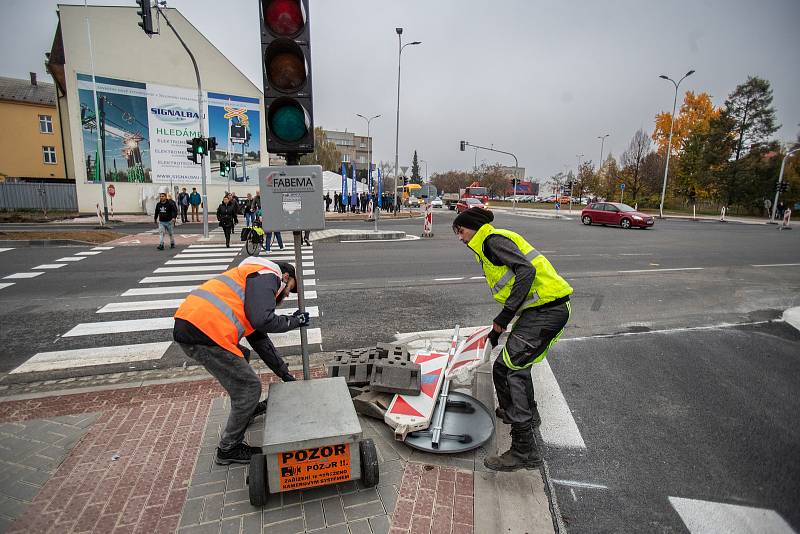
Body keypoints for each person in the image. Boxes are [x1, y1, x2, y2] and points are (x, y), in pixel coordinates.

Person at [452, 207, 572, 471]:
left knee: (510, 370)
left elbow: (526, 272)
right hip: (540, 311)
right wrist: (497, 330)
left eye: (460, 231)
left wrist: (504, 317)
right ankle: (521, 414)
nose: (460, 238)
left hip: (547, 310)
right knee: (508, 366)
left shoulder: (492, 241)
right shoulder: (489, 245)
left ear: (472, 227)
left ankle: (524, 449)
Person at [173, 257, 309, 464]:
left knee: (241, 358)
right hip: (205, 330)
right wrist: (294, 321)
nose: (287, 294)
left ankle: (248, 409)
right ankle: (228, 448)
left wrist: (284, 373)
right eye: (289, 289)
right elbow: (262, 320)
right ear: (285, 276)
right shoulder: (268, 276)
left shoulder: (250, 280)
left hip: (195, 325)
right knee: (249, 388)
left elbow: (260, 339)